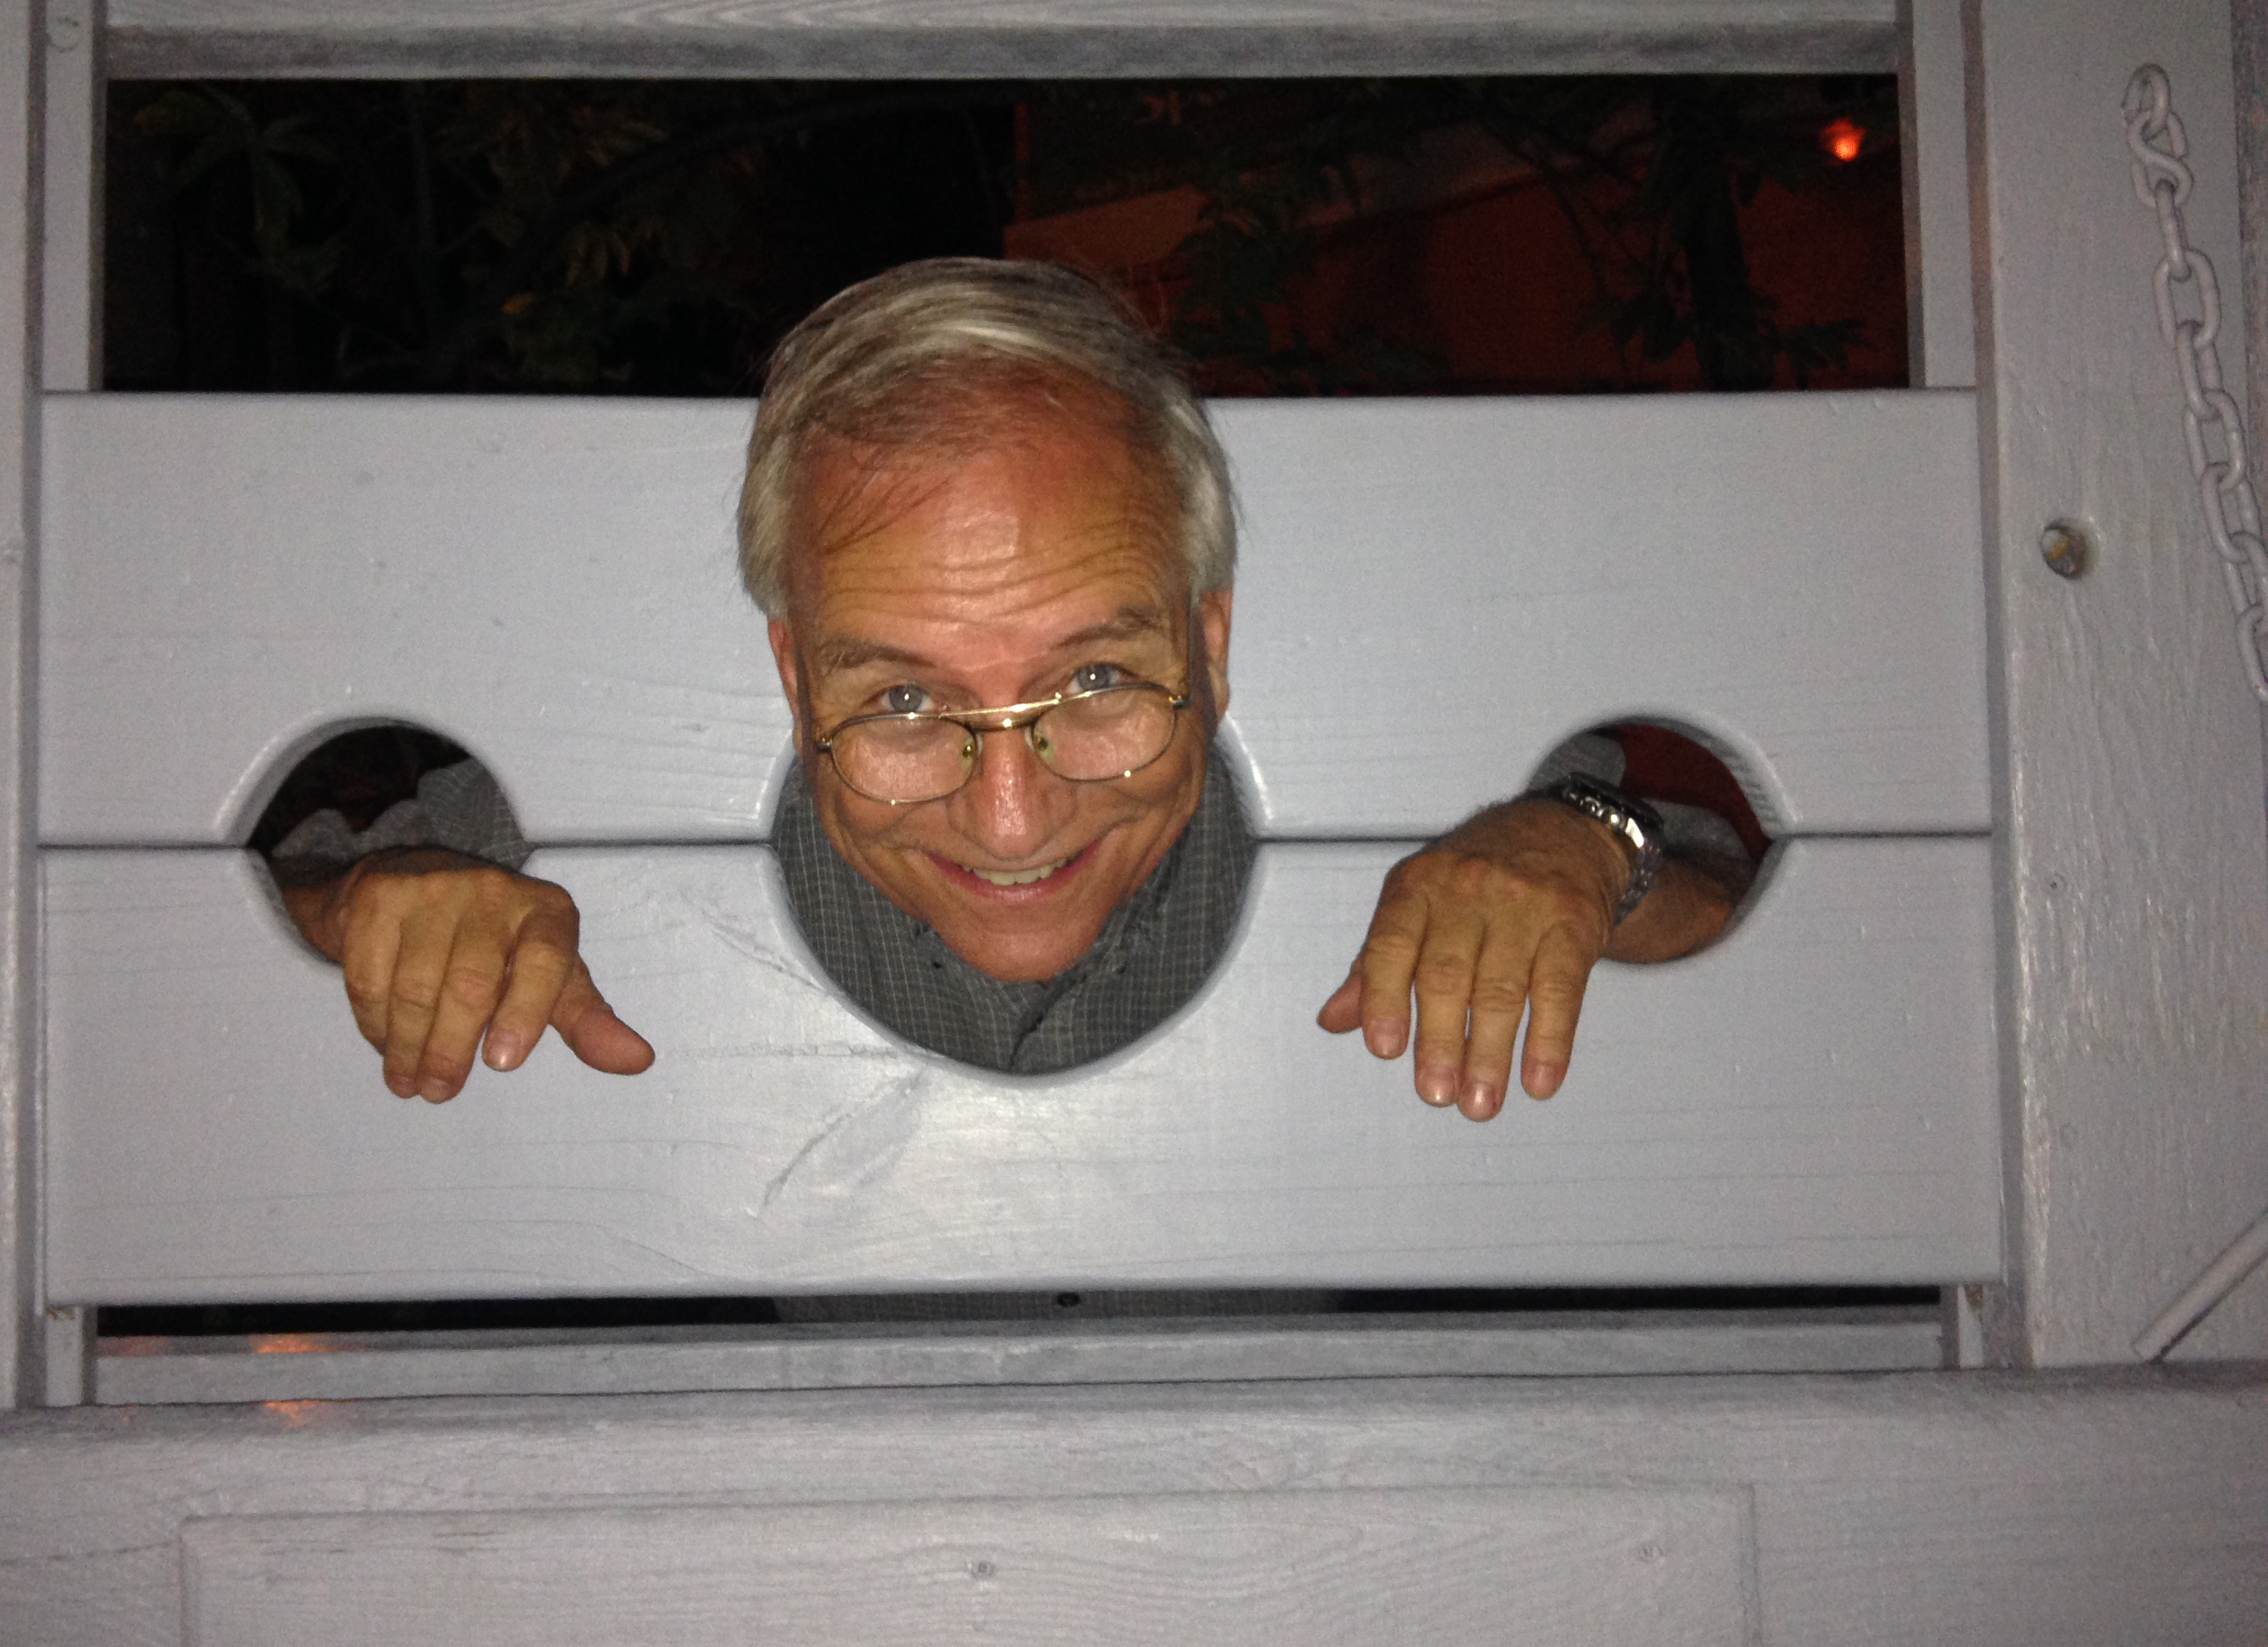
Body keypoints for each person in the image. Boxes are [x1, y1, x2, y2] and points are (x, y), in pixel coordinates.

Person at [277, 259, 1748, 1119]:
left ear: (1213, 645)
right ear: (789, 677)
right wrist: (375, 909)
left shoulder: (1428, 765)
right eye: (905, 704)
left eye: (1097, 678)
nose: (1011, 817)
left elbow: (1733, 914)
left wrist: (1588, 852)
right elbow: (266, 915)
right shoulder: (586, 804)